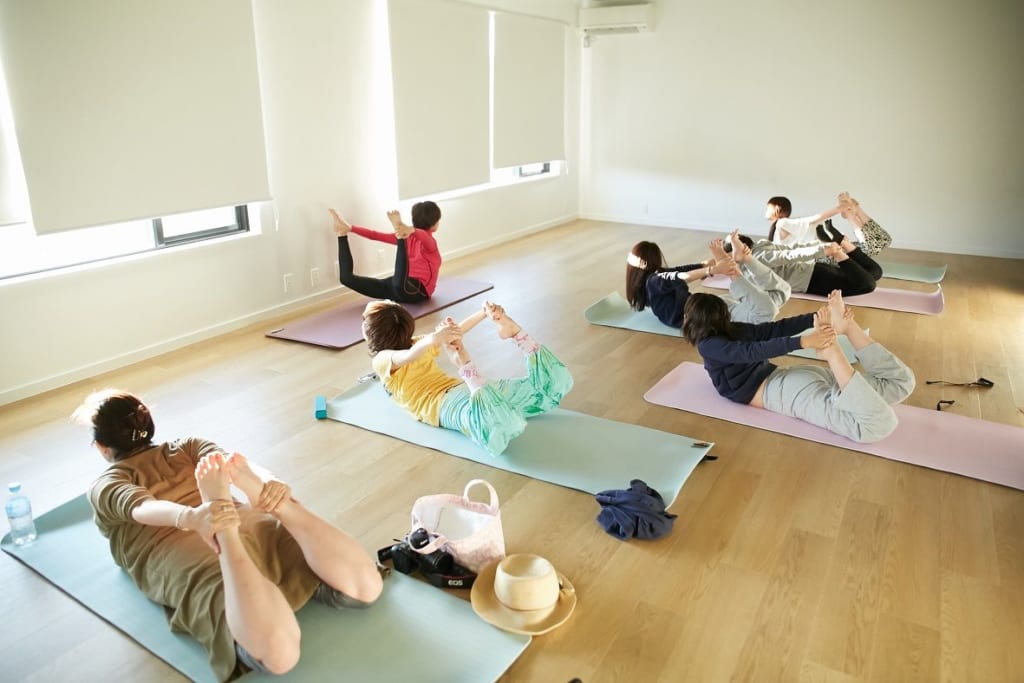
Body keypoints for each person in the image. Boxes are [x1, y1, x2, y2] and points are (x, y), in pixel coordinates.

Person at [74, 390, 383, 681]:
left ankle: (230, 528)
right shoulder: (188, 446)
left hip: (204, 544)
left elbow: (141, 508)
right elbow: (235, 466)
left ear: (102, 446)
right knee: (366, 587)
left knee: (280, 655)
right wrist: (210, 509)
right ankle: (262, 511)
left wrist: (199, 515)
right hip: (242, 527)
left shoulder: (106, 483)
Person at [681, 290, 915, 443]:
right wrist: (803, 341)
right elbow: (750, 352)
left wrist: (817, 317)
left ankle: (844, 332)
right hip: (789, 383)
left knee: (880, 420)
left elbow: (773, 330)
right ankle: (835, 347)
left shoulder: (725, 334)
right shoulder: (709, 345)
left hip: (786, 389)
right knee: (896, 390)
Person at [361, 300, 573, 455]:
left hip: (444, 405)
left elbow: (456, 330)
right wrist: (433, 339)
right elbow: (405, 356)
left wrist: (483, 313)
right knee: (537, 395)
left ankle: (468, 360)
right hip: (466, 394)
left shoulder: (387, 355)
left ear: (372, 333)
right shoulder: (390, 357)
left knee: (497, 429)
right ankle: (513, 338)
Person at [625, 231, 791, 327]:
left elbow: (687, 269)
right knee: (770, 306)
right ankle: (738, 270)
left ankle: (744, 261)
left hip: (708, 307)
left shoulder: (657, 277)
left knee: (781, 293)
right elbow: (682, 277)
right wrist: (713, 269)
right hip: (704, 317)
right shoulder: (654, 281)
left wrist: (720, 259)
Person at [329, 201, 442, 303]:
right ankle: (341, 234)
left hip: (409, 288)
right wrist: (350, 228)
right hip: (403, 288)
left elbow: (424, 237)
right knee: (346, 279)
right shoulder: (427, 244)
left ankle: (399, 237)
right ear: (434, 224)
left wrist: (410, 230)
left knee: (398, 283)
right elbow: (375, 235)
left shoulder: (427, 242)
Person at [730, 228, 884, 297]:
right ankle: (844, 243)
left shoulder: (757, 258)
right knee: (875, 272)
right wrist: (820, 246)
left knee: (867, 284)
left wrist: (825, 250)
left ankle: (839, 253)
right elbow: (792, 248)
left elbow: (790, 254)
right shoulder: (761, 244)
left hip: (814, 281)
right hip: (817, 269)